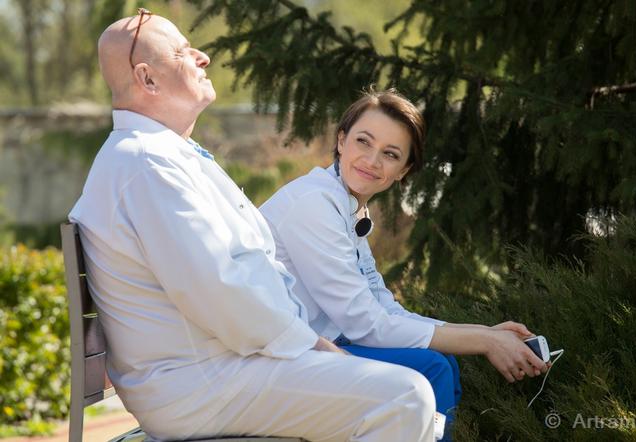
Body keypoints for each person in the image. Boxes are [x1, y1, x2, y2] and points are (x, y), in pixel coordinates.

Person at [69, 11, 438, 442]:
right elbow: (216, 287)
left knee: (402, 387)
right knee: (404, 396)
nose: (203, 56)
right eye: (183, 51)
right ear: (147, 79)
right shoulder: (146, 163)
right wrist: (312, 345)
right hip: (199, 383)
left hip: (218, 368)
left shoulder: (162, 156)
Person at [260, 88, 549, 438]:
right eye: (363, 142)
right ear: (341, 140)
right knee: (433, 368)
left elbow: (384, 308)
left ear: (404, 170)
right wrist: (484, 342)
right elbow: (364, 323)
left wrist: (486, 333)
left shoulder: (347, 207)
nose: (372, 160)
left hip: (321, 344)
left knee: (444, 364)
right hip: (278, 357)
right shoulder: (313, 204)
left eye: (390, 154)